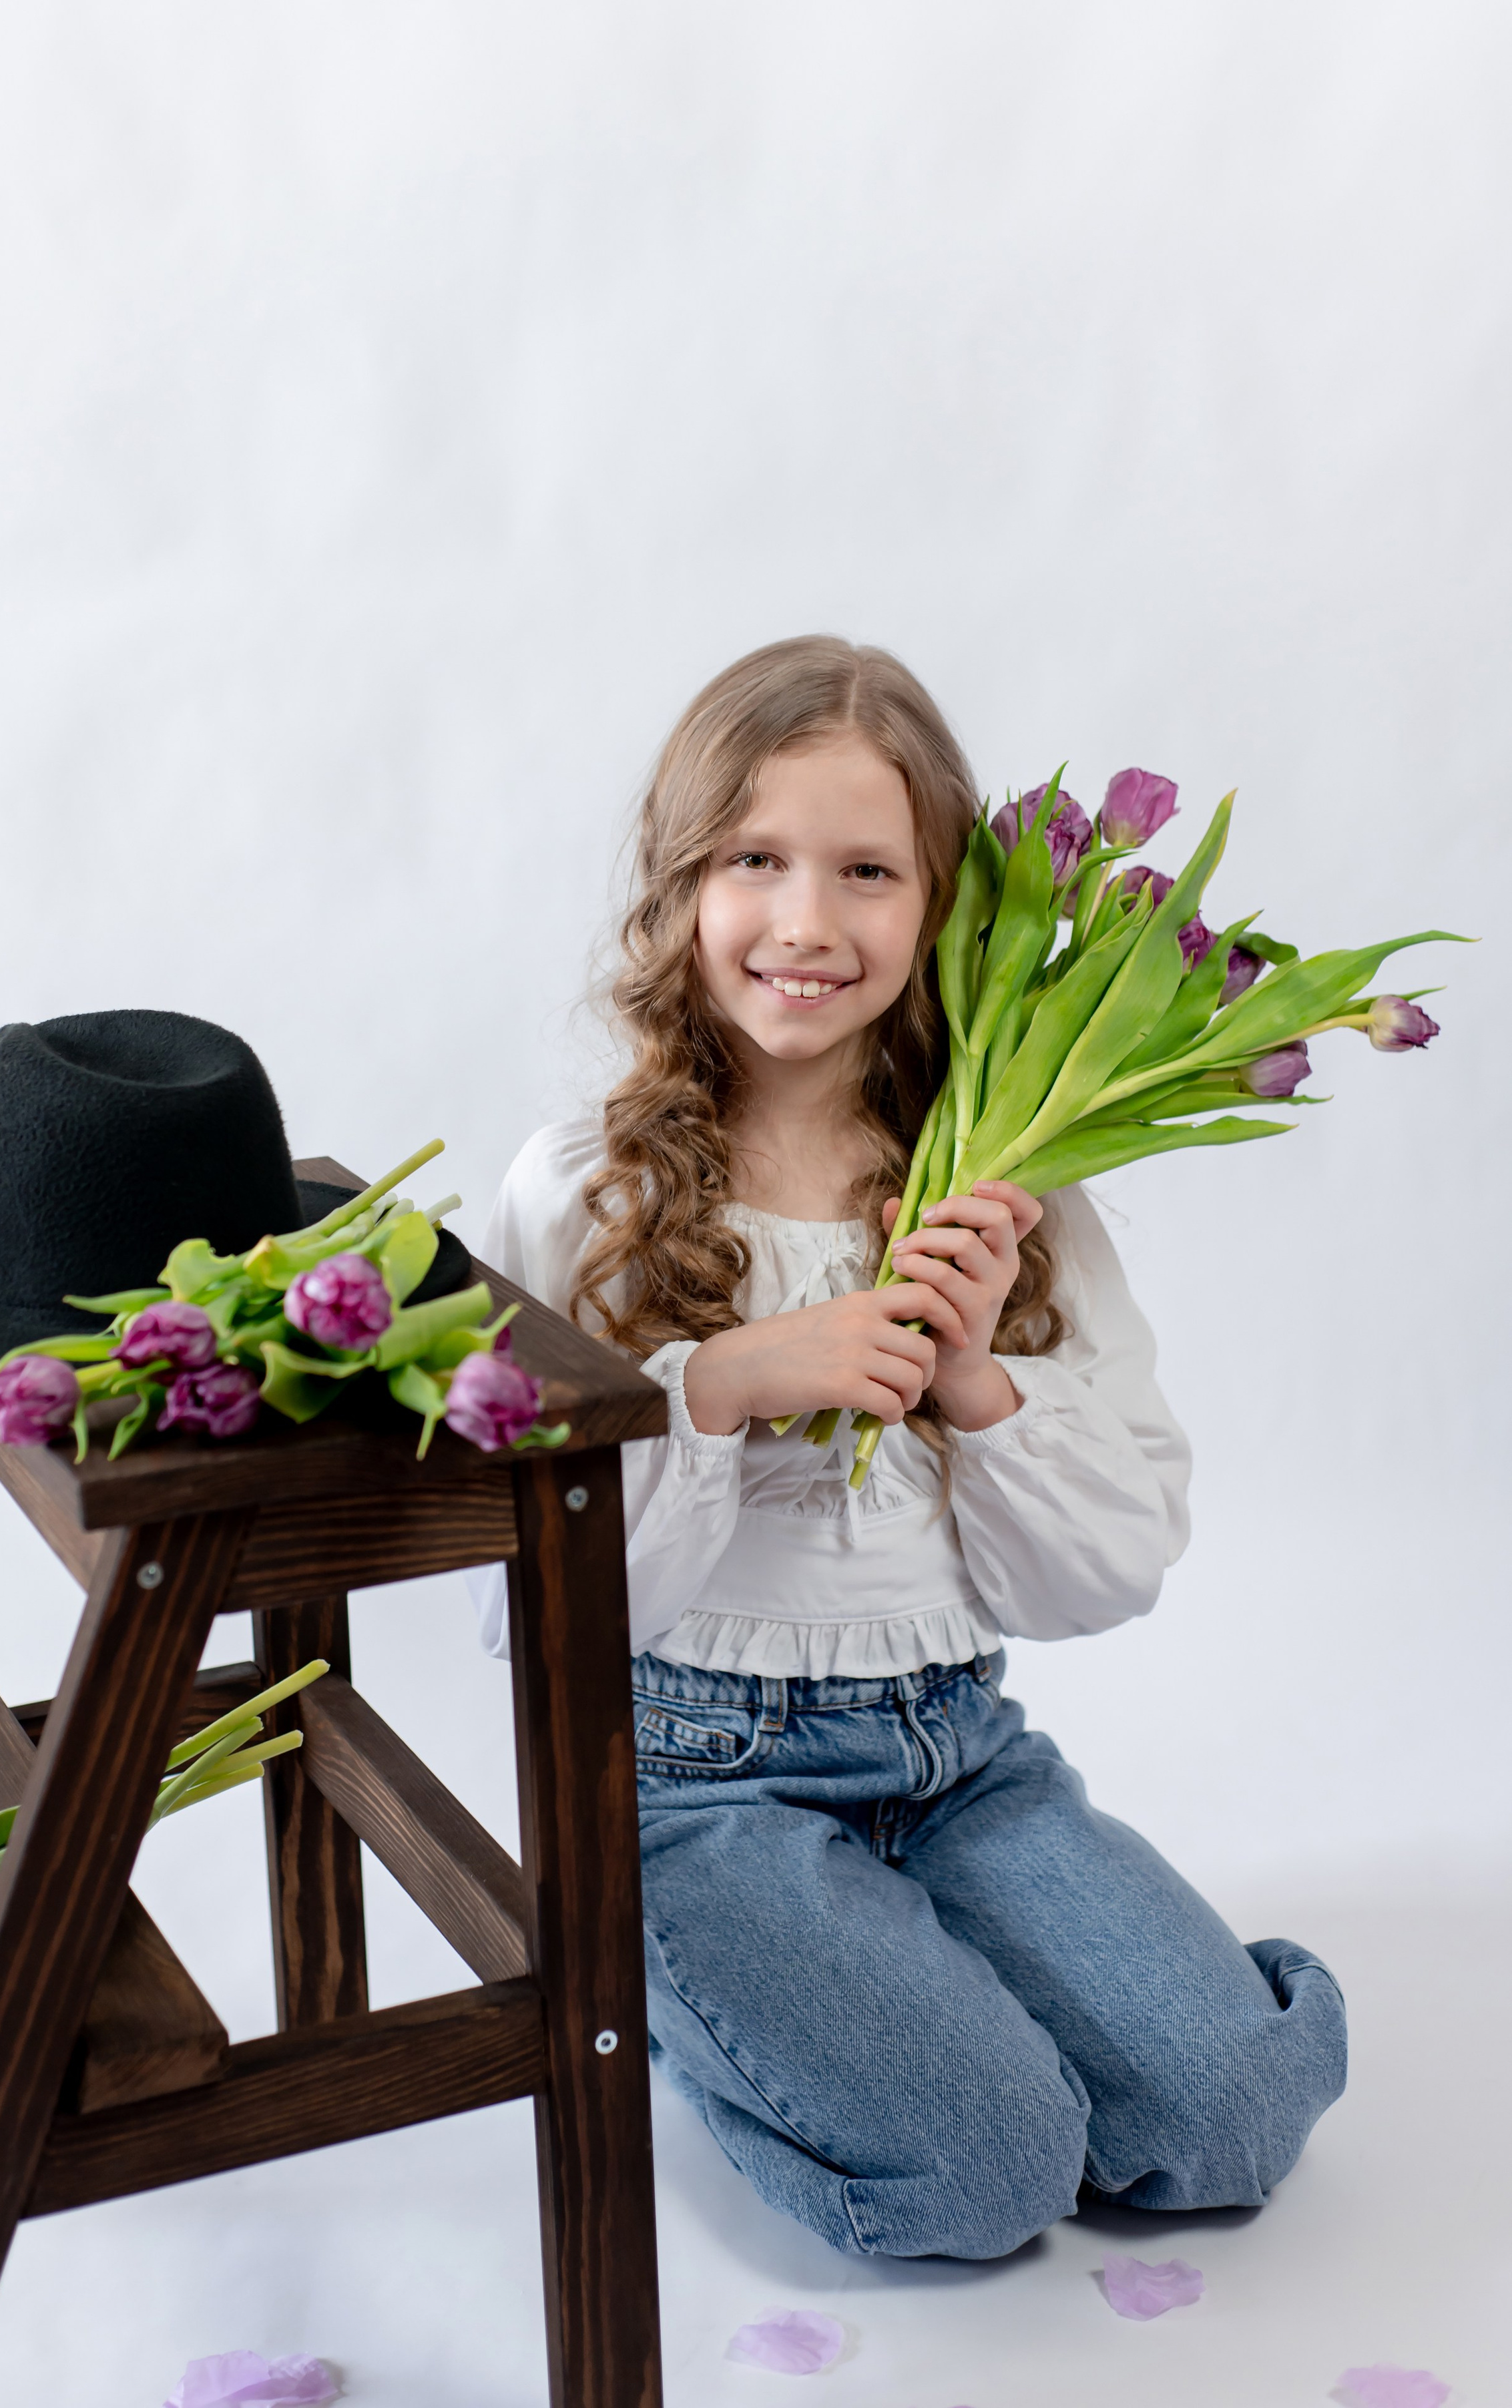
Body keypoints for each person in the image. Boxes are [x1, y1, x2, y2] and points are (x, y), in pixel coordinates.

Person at [473, 634, 1346, 2260]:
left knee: (1224, 2115)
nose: (807, 923)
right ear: (679, 890)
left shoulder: (1005, 1196)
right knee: (984, 2175)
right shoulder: (579, 1190)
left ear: (941, 907)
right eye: (755, 861)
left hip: (958, 1757)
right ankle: (683, 1997)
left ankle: (952, 1989)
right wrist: (716, 1383)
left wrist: (974, 1381)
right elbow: (522, 1605)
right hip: (679, 1783)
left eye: (866, 870)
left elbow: (1106, 1575)